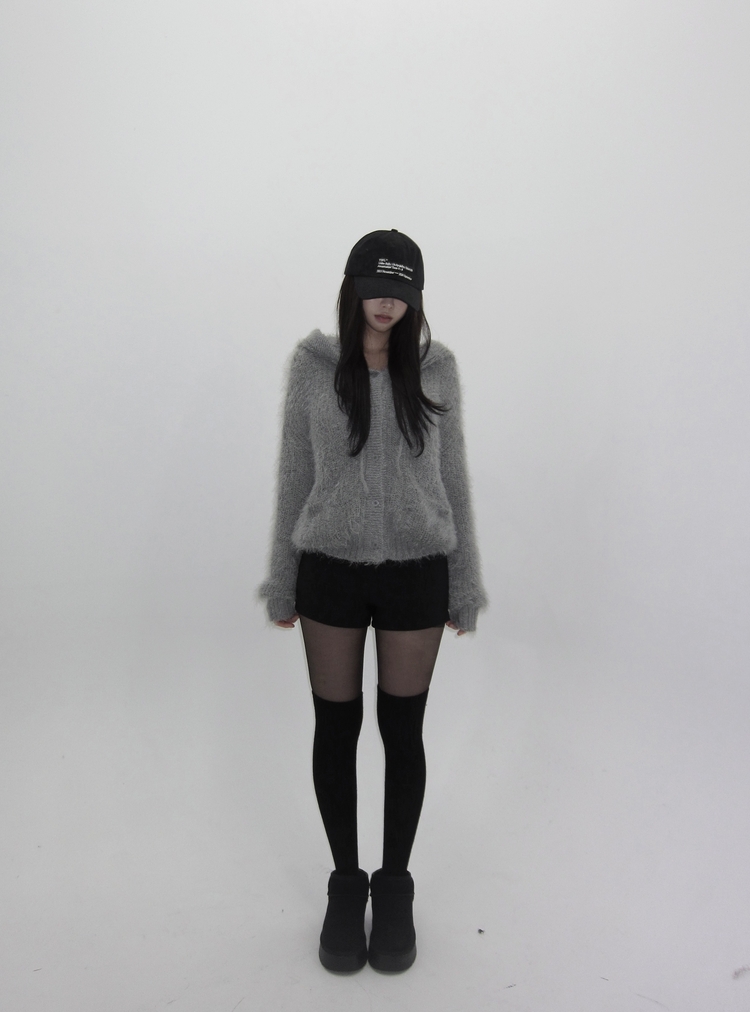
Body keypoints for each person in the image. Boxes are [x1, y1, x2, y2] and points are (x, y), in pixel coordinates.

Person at [257, 229, 487, 974]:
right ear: (353, 289)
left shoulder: (437, 371)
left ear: (415, 298)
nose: (388, 302)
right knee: (336, 729)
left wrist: (464, 582)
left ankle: (393, 887)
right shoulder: (315, 369)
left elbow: (453, 479)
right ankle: (345, 883)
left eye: (402, 290)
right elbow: (295, 475)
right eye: (376, 287)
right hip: (330, 570)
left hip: (418, 573)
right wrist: (283, 578)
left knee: (402, 731)